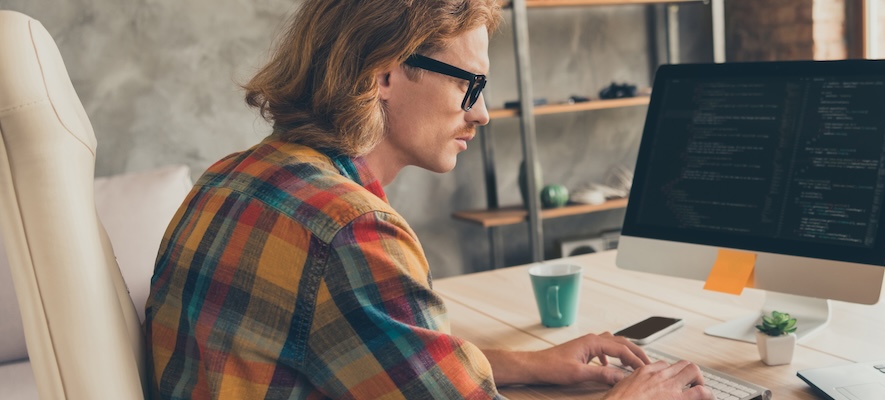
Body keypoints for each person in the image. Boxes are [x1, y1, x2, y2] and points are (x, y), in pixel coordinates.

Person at [142, 0, 714, 399]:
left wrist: (526, 364)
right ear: (385, 73)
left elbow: (367, 356)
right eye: (471, 83)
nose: (482, 112)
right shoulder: (349, 232)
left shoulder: (230, 178)